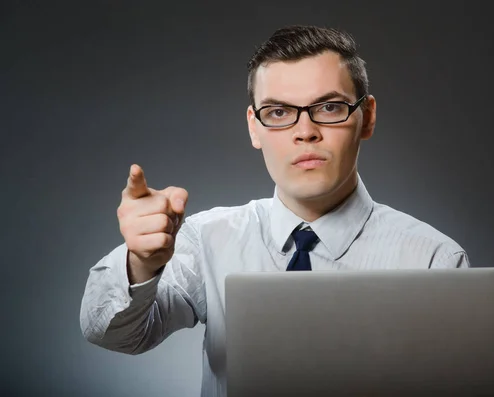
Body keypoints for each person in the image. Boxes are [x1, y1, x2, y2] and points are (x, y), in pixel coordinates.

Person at [80, 25, 470, 396]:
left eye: (330, 107)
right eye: (279, 112)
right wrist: (141, 264)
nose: (304, 131)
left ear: (366, 117)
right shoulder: (205, 241)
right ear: (254, 127)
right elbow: (113, 334)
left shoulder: (434, 260)